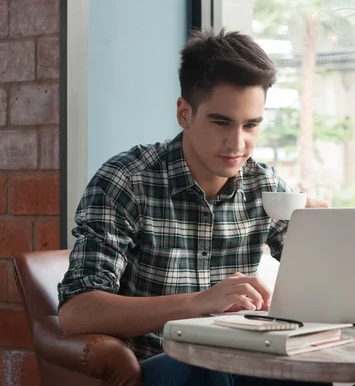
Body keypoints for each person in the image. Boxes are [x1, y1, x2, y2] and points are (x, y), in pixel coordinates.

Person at [57, 28, 330, 386]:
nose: (237, 143)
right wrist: (200, 302)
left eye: (251, 125)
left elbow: (325, 287)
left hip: (244, 361)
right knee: (205, 366)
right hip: (162, 365)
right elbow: (76, 311)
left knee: (311, 369)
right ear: (184, 113)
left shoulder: (265, 187)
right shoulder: (126, 180)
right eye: (221, 122)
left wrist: (326, 236)